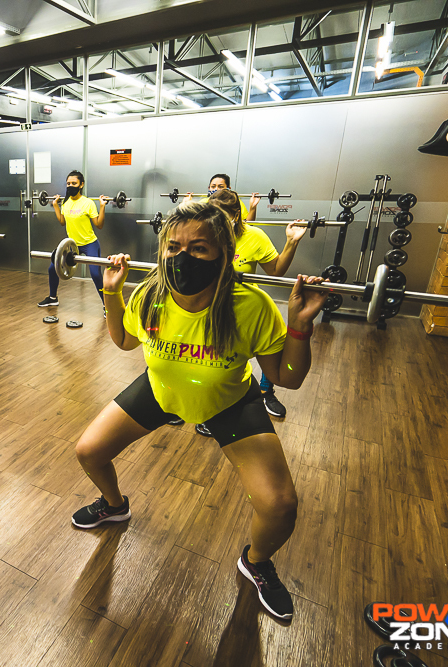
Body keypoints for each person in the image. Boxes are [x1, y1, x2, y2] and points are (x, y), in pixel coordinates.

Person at [71, 201, 326, 621]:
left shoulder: (251, 305)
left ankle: (257, 562)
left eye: (199, 249)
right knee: (89, 451)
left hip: (228, 401)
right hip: (161, 392)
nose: (182, 258)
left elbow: (289, 377)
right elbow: (122, 341)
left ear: (224, 253)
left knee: (280, 505)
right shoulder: (150, 295)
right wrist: (112, 291)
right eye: (173, 247)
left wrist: (299, 325)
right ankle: (114, 505)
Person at [179, 189, 307, 437]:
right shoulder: (203, 234)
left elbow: (277, 270)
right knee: (210, 363)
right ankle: (193, 406)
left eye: (222, 217)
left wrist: (292, 241)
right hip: (207, 307)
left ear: (236, 215)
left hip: (243, 308)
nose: (215, 223)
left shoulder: (254, 236)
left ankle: (265, 393)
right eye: (211, 215)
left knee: (267, 355)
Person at [37, 171, 110, 313]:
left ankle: (107, 306)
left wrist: (102, 206)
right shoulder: (66, 203)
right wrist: (56, 205)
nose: (70, 186)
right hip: (72, 245)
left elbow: (99, 225)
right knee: (53, 268)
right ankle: (53, 298)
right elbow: (62, 222)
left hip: (90, 243)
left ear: (81, 185)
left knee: (95, 274)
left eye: (74, 183)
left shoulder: (88, 203)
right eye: (68, 184)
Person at [183, 173, 260, 222]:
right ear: (209, 188)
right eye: (213, 186)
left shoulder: (235, 202)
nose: (216, 189)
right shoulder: (203, 202)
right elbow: (188, 222)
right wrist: (185, 205)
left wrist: (253, 207)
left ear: (228, 188)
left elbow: (248, 224)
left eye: (220, 186)